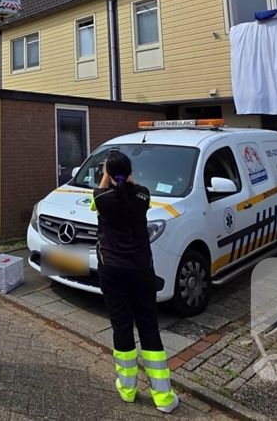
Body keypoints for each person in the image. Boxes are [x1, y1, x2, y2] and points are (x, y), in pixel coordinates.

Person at [90, 150, 179, 413]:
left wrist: (107, 178)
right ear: (129, 172)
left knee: (121, 325)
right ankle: (163, 397)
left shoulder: (101, 198)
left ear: (107, 173)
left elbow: (99, 197)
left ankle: (128, 390)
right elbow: (136, 192)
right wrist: (128, 178)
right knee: (149, 326)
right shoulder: (143, 195)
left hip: (112, 269)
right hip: (141, 269)